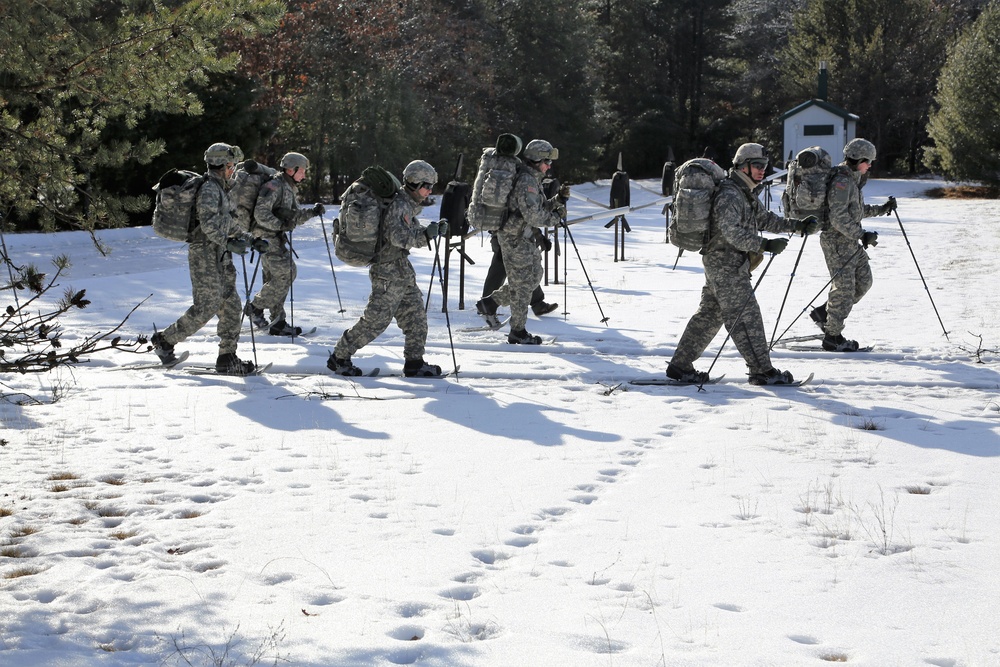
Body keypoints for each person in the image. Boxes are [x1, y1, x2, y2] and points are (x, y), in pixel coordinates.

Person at [666, 143, 819, 385]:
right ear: (742, 166)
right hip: (725, 264)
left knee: (709, 315)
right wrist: (764, 245)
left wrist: (796, 226)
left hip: (727, 264)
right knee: (746, 318)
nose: (762, 171)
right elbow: (732, 233)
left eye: (764, 166)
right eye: (757, 166)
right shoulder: (729, 195)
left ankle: (680, 365)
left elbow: (764, 219)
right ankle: (762, 371)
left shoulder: (743, 192)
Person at [151, 142, 267, 375]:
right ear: (223, 165)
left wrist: (249, 238)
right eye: (231, 165)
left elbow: (226, 222)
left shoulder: (220, 188)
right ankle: (165, 341)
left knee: (232, 305)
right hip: (204, 254)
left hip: (219, 254)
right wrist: (229, 242)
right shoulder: (209, 189)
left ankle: (227, 357)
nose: (233, 169)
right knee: (206, 306)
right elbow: (209, 224)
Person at [327, 160, 448, 377]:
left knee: (416, 317)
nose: (429, 191)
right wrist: (426, 236)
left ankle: (414, 363)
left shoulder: (405, 203)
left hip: (401, 271)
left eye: (431, 187)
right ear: (414, 183)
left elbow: (406, 229)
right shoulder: (400, 204)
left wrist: (432, 230)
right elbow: (399, 237)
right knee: (376, 321)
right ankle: (339, 357)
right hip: (387, 273)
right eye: (426, 186)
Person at [475, 139, 568, 344]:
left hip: (523, 236)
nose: (549, 165)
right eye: (546, 161)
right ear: (536, 160)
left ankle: (491, 302)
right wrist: (556, 217)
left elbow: (538, 207)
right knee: (523, 284)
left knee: (534, 276)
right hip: (514, 238)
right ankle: (518, 331)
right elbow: (535, 216)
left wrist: (557, 201)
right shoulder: (527, 181)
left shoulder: (532, 179)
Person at [809, 138, 896, 351]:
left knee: (864, 282)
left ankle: (825, 314)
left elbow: (855, 210)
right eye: (869, 161)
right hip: (837, 242)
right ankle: (833, 337)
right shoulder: (842, 181)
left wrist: (882, 209)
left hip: (849, 242)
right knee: (844, 289)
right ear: (858, 159)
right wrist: (862, 234)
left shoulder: (852, 178)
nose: (870, 166)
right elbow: (838, 217)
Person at [244, 152, 324, 336]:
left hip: (275, 238)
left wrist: (312, 212)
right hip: (265, 238)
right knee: (287, 273)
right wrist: (280, 225)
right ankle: (255, 308)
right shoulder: (273, 186)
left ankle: (277, 321)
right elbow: (260, 214)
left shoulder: (288, 187)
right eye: (302, 171)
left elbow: (293, 216)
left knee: (274, 278)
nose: (304, 175)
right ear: (290, 169)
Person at [478, 229, 558, 328]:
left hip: (519, 238)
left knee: (526, 276)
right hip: (509, 238)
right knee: (518, 276)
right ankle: (488, 303)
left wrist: (538, 235)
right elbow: (527, 216)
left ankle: (488, 303)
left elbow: (527, 218)